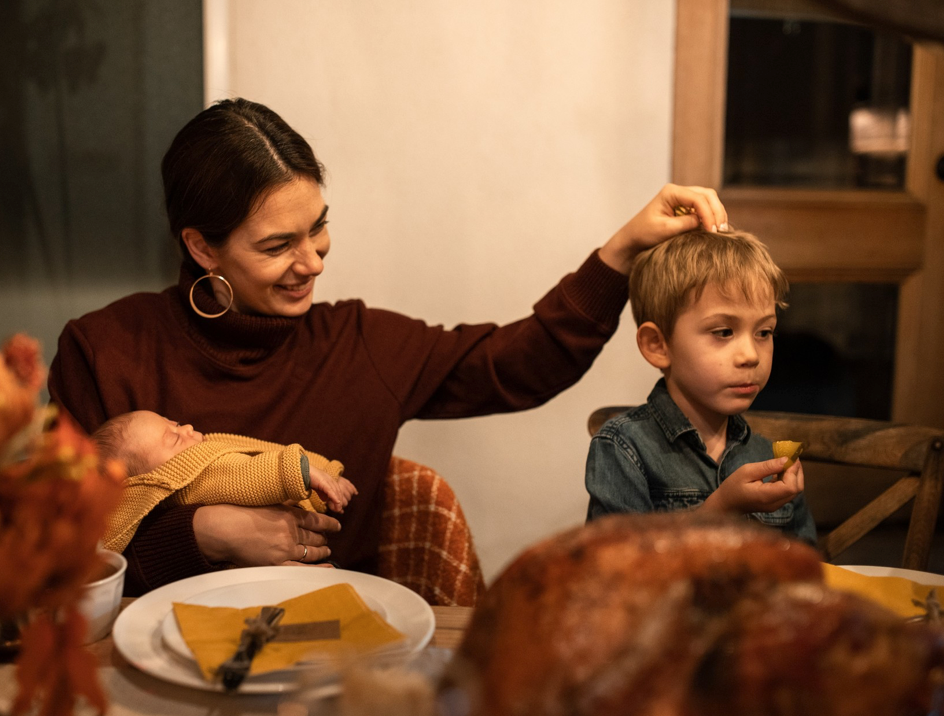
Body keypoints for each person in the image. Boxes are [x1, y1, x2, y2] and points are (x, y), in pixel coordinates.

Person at [48, 97, 731, 595]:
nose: (313, 261)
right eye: (278, 245)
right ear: (201, 246)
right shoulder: (103, 351)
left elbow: (525, 365)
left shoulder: (358, 344)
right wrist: (205, 534)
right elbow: (57, 560)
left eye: (318, 228)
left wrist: (621, 252)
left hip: (330, 664)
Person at [584, 228, 816, 544]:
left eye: (764, 332)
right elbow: (614, 572)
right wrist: (717, 512)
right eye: (723, 332)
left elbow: (807, 566)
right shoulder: (624, 448)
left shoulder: (765, 455)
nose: (750, 355)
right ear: (658, 345)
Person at [91, 410, 356, 553]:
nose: (187, 429)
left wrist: (325, 472)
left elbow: (262, 451)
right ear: (150, 478)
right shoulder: (189, 477)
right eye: (173, 438)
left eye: (175, 424)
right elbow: (247, 473)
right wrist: (302, 472)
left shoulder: (200, 454)